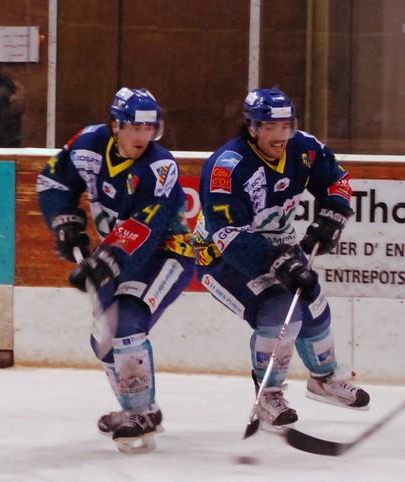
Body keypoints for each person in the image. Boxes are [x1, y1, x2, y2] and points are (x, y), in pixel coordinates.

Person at [195, 87, 369, 428]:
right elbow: (227, 234)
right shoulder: (226, 167)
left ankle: (324, 378)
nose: (280, 135)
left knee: (313, 299)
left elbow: (338, 181)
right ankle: (269, 393)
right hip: (220, 256)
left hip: (279, 246)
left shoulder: (305, 148)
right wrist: (277, 263)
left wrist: (333, 214)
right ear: (252, 127)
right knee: (278, 309)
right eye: (270, 127)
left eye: (285, 125)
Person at [37, 87, 196, 453]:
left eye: (150, 128)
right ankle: (141, 410)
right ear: (115, 125)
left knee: (125, 323)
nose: (143, 137)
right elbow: (54, 181)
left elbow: (146, 226)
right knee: (102, 338)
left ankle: (139, 413)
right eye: (134, 128)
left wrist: (106, 261)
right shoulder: (87, 145)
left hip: (167, 253)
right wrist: (64, 220)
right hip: (117, 256)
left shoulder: (160, 166)